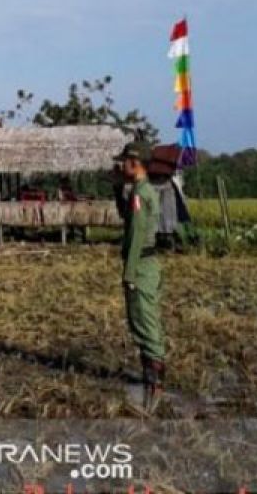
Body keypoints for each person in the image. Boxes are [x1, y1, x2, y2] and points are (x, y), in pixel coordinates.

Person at [114, 142, 167, 412]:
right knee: (148, 318)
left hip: (141, 264)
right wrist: (116, 191)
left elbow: (135, 236)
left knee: (142, 319)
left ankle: (154, 379)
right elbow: (130, 220)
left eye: (124, 161)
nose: (121, 166)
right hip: (149, 263)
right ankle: (153, 377)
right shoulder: (142, 191)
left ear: (134, 163)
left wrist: (129, 272)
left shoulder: (140, 193)